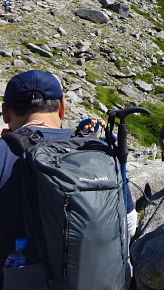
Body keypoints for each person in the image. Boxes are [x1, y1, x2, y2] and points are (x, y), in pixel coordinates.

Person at [0, 70, 137, 288]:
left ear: (6, 112)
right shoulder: (99, 150)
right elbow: (129, 227)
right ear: (62, 107)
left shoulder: (2, 153)